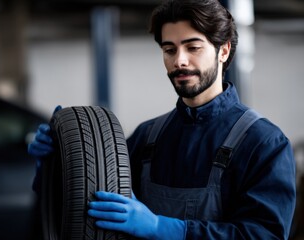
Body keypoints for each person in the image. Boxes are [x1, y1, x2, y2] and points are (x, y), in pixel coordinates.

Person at [28, 0, 296, 239]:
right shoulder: (147, 137)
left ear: (223, 51)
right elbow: (83, 210)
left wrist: (162, 228)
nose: (179, 60)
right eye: (169, 50)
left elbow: (264, 234)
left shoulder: (265, 143)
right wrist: (54, 164)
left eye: (193, 47)